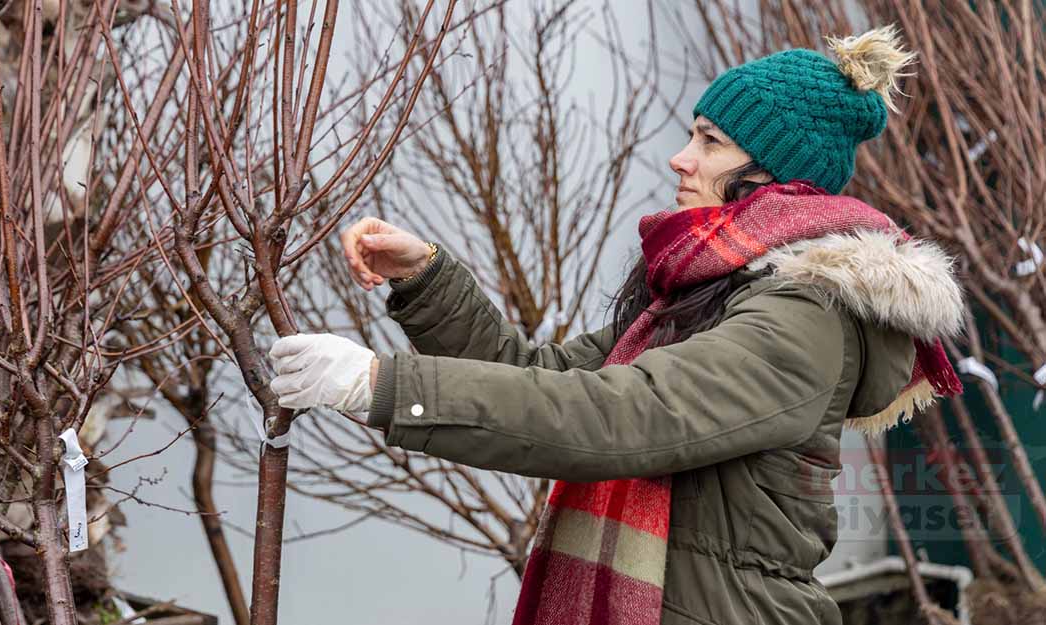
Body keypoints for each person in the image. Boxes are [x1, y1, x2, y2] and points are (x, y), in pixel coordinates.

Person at [266, 25, 964, 625]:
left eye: (708, 140)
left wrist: (378, 385)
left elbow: (622, 417)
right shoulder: (706, 298)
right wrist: (425, 279)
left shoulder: (804, 315)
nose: (680, 158)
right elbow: (542, 378)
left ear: (772, 173)